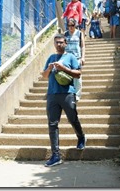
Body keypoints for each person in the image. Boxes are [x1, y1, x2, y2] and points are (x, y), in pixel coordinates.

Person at [41, 33, 86, 167]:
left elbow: (78, 73)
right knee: (52, 124)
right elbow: (44, 76)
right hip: (52, 95)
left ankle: (81, 137)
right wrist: (49, 69)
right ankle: (55, 155)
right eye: (56, 42)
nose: (59, 44)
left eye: (61, 42)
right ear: (54, 44)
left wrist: (63, 68)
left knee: (73, 118)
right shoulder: (51, 58)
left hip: (67, 94)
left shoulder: (71, 57)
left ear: (65, 43)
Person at [64, 18, 85, 101]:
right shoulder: (65, 34)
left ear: (75, 25)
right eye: (69, 26)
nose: (70, 27)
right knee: (68, 76)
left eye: (72, 25)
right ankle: (69, 93)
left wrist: (83, 57)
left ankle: (77, 94)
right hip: (67, 59)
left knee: (77, 77)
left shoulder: (79, 34)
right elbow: (63, 46)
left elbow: (83, 46)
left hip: (77, 58)